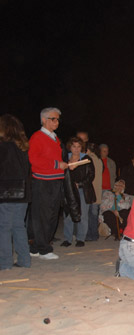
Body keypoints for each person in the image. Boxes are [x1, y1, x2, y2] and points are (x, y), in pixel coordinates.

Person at [28, 107, 68, 260]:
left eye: (58, 119)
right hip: (43, 181)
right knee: (42, 215)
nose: (56, 122)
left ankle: (37, 247)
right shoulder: (37, 137)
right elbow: (34, 159)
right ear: (44, 120)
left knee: (51, 214)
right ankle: (44, 248)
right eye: (53, 119)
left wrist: (66, 163)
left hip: (55, 180)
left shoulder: (55, 138)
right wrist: (57, 164)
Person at [0, 114, 31, 269]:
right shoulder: (23, 147)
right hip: (23, 192)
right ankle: (24, 260)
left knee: (4, 227)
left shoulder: (3, 146)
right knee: (18, 226)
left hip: (6, 191)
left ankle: (4, 262)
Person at [60, 137, 96, 247]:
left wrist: (79, 184)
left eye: (79, 146)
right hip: (68, 191)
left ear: (82, 147)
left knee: (83, 215)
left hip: (82, 191)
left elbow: (91, 176)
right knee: (68, 215)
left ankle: (81, 239)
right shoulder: (65, 159)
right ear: (70, 147)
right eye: (74, 146)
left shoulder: (86, 159)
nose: (76, 149)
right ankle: (68, 239)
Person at [85, 143, 103, 241]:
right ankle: (94, 235)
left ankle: (89, 235)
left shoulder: (88, 159)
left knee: (89, 215)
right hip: (98, 191)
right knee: (94, 215)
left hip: (90, 190)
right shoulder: (99, 160)